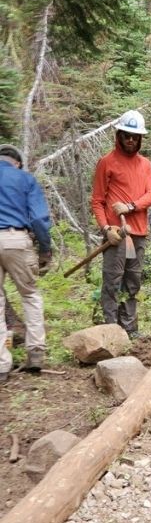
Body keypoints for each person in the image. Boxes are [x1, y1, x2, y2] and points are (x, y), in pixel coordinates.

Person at [91, 110, 151, 337]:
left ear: (140, 139)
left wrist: (130, 206)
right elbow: (98, 201)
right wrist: (106, 228)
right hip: (116, 235)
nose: (131, 139)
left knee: (133, 282)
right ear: (119, 135)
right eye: (127, 135)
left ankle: (129, 327)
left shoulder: (146, 165)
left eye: (135, 136)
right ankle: (111, 329)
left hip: (138, 232)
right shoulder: (106, 163)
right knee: (112, 281)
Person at [0, 144, 52, 382]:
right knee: (30, 295)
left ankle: (2, 365)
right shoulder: (25, 179)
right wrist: (45, 249)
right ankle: (35, 353)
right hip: (17, 238)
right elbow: (39, 218)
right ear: (18, 162)